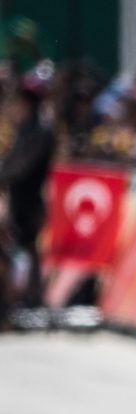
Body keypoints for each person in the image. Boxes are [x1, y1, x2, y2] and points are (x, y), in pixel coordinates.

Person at [0, 78, 55, 316]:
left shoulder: (38, 131)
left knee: (29, 247)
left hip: (32, 199)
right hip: (19, 197)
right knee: (20, 247)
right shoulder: (24, 129)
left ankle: (32, 299)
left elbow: (20, 167)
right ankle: (22, 298)